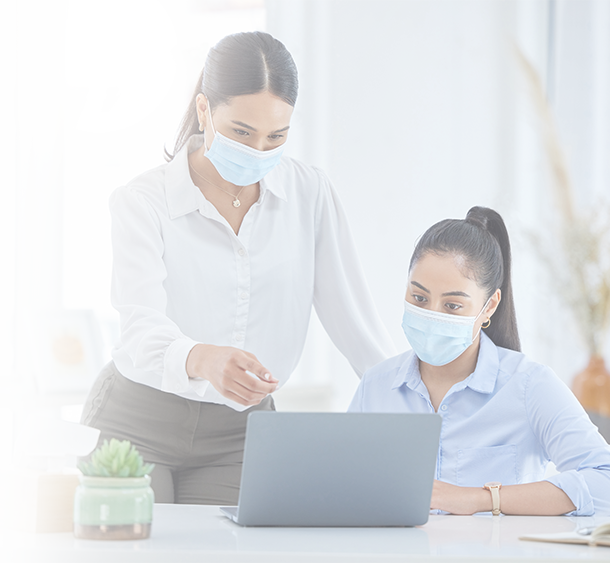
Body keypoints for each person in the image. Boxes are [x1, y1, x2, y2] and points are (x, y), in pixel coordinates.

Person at [81, 31, 395, 504]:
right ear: (205, 110)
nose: (259, 152)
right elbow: (140, 325)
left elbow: (354, 320)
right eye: (242, 133)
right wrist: (204, 357)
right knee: (132, 548)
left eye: (277, 137)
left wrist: (412, 406)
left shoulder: (309, 195)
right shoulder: (143, 202)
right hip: (137, 419)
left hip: (241, 430)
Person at [349, 206, 610, 516]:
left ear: (489, 307)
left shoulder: (530, 385)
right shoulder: (376, 386)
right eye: (419, 298)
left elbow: (603, 480)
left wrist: (478, 499)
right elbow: (341, 486)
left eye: (452, 305)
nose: (433, 313)